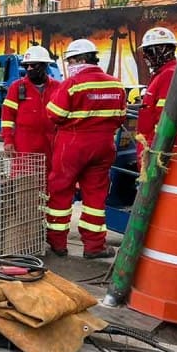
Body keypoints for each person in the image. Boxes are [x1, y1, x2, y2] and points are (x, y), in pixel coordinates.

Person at [45, 39, 126, 259]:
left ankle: (57, 243)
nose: (70, 65)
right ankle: (94, 246)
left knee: (60, 192)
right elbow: (121, 118)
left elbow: (54, 114)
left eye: (71, 60)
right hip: (104, 146)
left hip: (72, 145)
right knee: (95, 198)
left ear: (81, 59)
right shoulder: (116, 84)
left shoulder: (73, 84)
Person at [1, 46, 61, 177]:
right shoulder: (16, 87)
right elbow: (7, 116)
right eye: (26, 65)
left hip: (51, 143)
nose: (28, 69)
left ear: (44, 66)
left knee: (50, 179)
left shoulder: (57, 87)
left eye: (33, 65)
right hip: (24, 143)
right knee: (24, 181)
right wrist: (8, 140)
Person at [135, 27, 177, 161]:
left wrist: (156, 151)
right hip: (153, 146)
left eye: (149, 51)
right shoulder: (161, 74)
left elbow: (167, 118)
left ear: (164, 51)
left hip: (160, 150)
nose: (145, 56)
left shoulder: (169, 75)